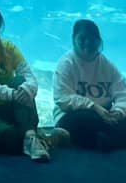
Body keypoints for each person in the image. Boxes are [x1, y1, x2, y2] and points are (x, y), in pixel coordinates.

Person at [0, 3, 67, 162]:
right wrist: (13, 95)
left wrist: (27, 89)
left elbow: (28, 75)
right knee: (9, 138)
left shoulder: (8, 46)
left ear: (0, 23)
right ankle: (41, 139)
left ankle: (30, 137)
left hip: (13, 108)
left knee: (20, 81)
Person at [53, 19, 126, 150]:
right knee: (86, 119)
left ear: (98, 41)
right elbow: (62, 98)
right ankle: (109, 140)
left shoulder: (107, 65)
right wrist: (94, 107)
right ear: (74, 39)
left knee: (108, 124)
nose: (87, 42)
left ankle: (100, 141)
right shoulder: (66, 64)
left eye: (92, 39)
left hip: (107, 115)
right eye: (82, 38)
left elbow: (122, 94)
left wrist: (119, 111)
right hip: (74, 115)